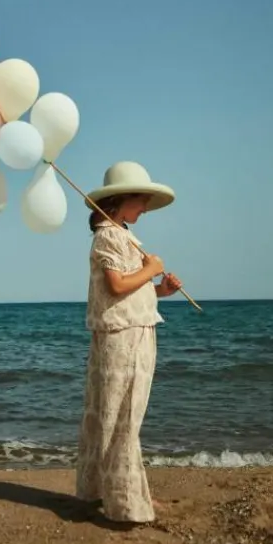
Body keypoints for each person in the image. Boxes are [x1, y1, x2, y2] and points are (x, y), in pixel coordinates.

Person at [75, 161, 183, 524]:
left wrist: (160, 289)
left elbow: (129, 291)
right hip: (123, 336)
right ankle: (125, 502)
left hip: (131, 328)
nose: (145, 209)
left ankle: (112, 491)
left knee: (115, 415)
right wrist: (150, 269)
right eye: (142, 201)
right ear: (121, 200)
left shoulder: (121, 234)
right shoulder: (108, 236)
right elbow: (117, 285)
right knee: (122, 417)